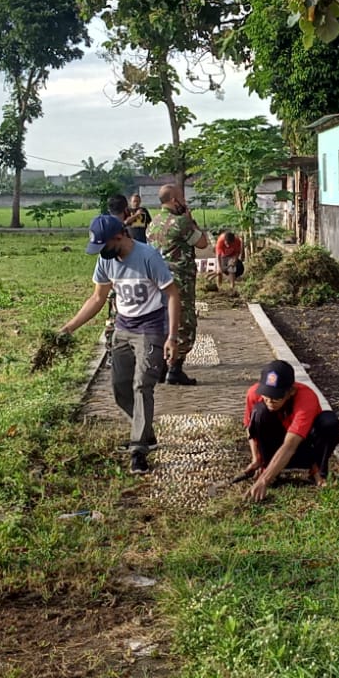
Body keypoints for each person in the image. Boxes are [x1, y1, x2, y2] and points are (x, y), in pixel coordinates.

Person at [60, 214, 182, 474]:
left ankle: (138, 449)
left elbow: (172, 295)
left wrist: (172, 337)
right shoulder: (105, 262)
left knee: (142, 386)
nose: (101, 252)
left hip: (150, 329)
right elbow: (97, 298)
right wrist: (69, 327)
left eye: (104, 246)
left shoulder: (148, 257)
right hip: (123, 328)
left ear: (120, 236)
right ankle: (146, 433)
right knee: (119, 389)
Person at [242, 360, 339, 501]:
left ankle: (317, 469)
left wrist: (264, 480)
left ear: (291, 392)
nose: (270, 400)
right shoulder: (254, 393)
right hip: (274, 444)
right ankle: (268, 466)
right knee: (259, 412)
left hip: (302, 446)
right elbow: (250, 428)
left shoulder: (306, 398)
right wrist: (256, 458)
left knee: (329, 422)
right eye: (267, 395)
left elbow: (290, 445)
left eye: (277, 396)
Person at [151, 183, 208, 385]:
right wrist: (192, 221)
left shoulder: (153, 223)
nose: (185, 202)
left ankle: (161, 366)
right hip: (180, 281)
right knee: (184, 323)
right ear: (175, 200)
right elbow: (202, 243)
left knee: (163, 322)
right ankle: (175, 368)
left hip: (157, 282)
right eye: (182, 198)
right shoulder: (181, 223)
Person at [215, 228, 244, 298]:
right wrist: (219, 267)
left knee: (232, 268)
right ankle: (219, 286)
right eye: (227, 244)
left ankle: (232, 287)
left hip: (232, 255)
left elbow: (237, 252)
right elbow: (218, 255)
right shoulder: (220, 241)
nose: (228, 246)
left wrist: (235, 260)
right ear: (224, 241)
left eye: (230, 244)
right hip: (222, 255)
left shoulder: (237, 241)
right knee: (219, 272)